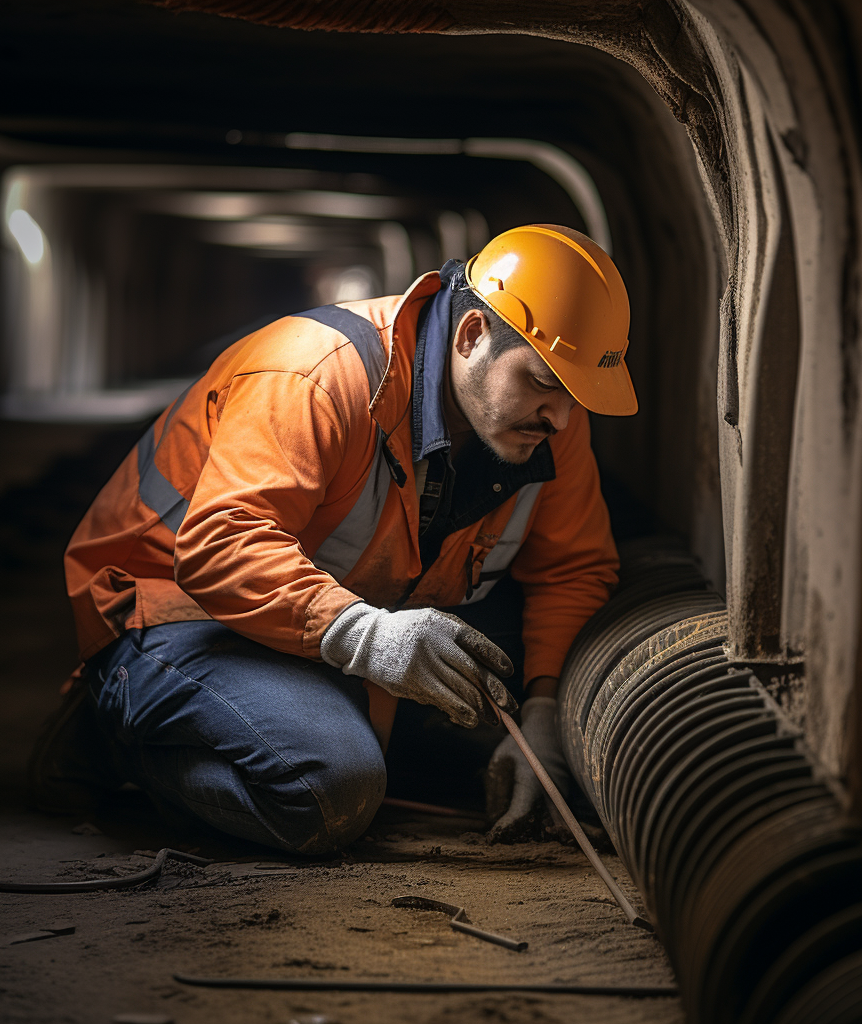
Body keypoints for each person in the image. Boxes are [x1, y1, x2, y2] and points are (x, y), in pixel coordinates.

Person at [34, 223, 637, 855]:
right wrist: (366, 637)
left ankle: (331, 714)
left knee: (494, 744)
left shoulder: (549, 423)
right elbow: (218, 545)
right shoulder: (317, 373)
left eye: (576, 395)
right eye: (544, 380)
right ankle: (110, 737)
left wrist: (543, 711)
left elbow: (572, 570)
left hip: (320, 621)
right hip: (171, 611)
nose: (562, 417)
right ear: (471, 336)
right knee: (332, 787)